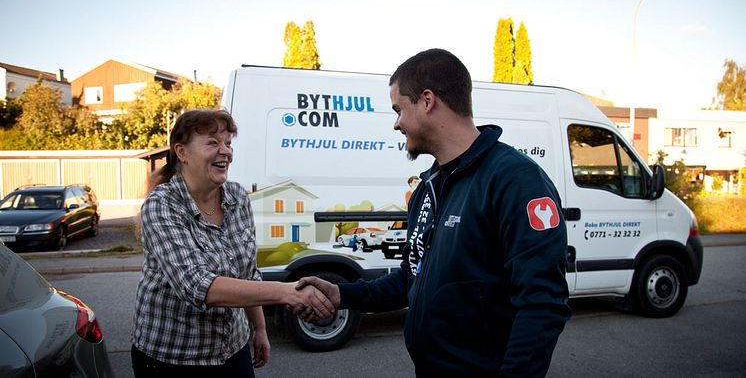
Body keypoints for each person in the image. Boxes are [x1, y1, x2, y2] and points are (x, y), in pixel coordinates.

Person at [297, 49, 571, 376]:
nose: (396, 123)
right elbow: (410, 278)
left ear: (427, 101)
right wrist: (343, 294)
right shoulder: (427, 186)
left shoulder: (515, 180)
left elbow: (542, 306)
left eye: (398, 109)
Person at [131, 109, 334, 377]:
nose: (225, 151)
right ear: (182, 152)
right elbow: (197, 285)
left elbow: (247, 273)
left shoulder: (237, 197)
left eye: (228, 143)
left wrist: (259, 328)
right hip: (174, 356)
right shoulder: (162, 205)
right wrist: (287, 292)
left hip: (233, 348)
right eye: (213, 143)